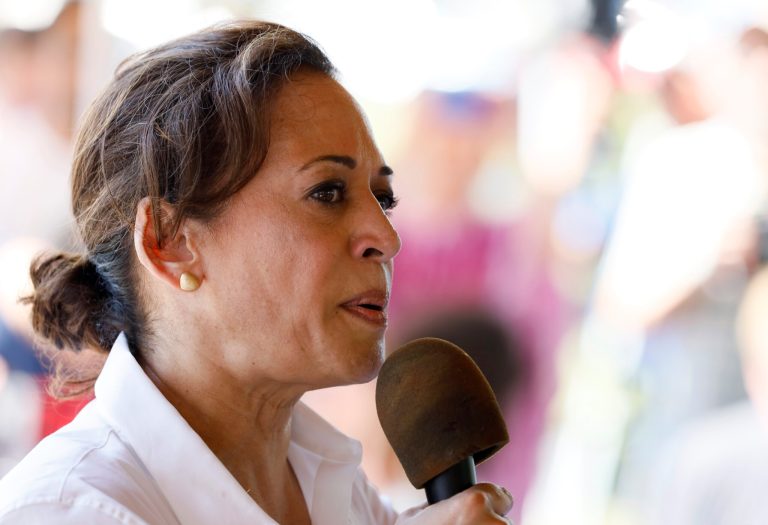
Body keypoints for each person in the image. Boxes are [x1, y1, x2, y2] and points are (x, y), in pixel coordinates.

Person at [0, 21, 514, 525]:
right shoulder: (70, 510)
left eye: (383, 199)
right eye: (328, 193)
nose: (387, 237)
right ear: (170, 241)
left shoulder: (340, 490)